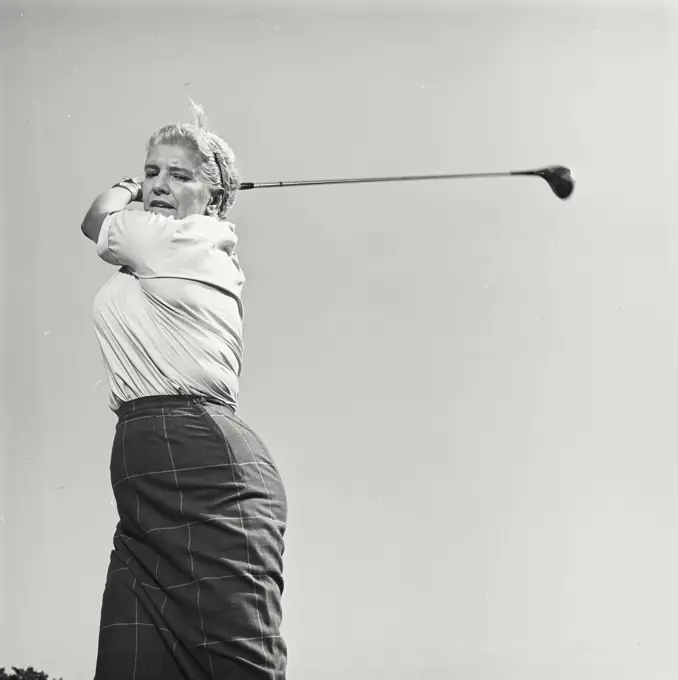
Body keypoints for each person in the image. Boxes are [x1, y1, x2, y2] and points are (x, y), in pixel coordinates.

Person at [81, 101, 288, 680]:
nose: (159, 186)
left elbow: (95, 217)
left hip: (198, 459)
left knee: (235, 666)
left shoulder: (179, 240)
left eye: (180, 174)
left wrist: (123, 188)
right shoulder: (159, 249)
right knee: (131, 665)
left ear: (216, 198)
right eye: (150, 173)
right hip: (147, 467)